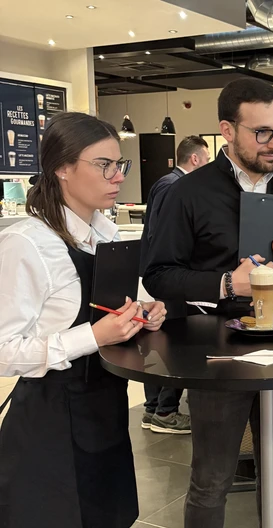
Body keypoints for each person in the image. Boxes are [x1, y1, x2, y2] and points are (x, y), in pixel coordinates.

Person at [142, 78, 273, 528]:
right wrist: (228, 284)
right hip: (216, 353)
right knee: (211, 479)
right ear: (227, 131)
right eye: (261, 132)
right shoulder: (188, 192)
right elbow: (158, 274)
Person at [0, 112, 166, 528]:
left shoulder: (107, 233)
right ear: (62, 168)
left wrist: (146, 311)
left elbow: (128, 299)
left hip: (105, 413)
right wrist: (91, 336)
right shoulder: (27, 243)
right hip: (49, 425)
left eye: (119, 164)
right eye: (104, 165)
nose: (118, 177)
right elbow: (3, 352)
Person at [139, 135, 210, 435]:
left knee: (164, 340)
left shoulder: (166, 183)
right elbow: (165, 236)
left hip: (164, 273)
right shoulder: (175, 186)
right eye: (207, 160)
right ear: (195, 159)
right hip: (171, 275)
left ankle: (153, 409)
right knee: (176, 343)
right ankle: (165, 412)